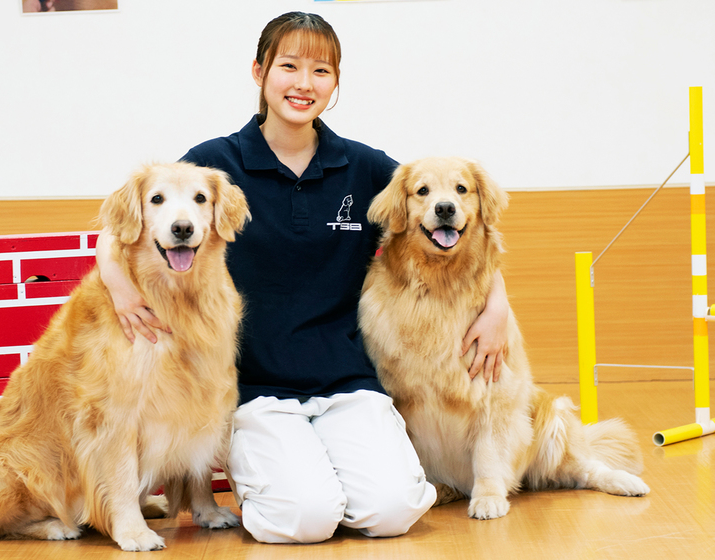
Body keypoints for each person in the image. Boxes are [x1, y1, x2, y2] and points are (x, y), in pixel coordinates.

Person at [96, 11, 510, 544]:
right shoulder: (213, 164)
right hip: (255, 388)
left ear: (335, 84)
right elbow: (124, 227)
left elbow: (458, 223)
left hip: (348, 381)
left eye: (322, 71)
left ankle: (320, 477)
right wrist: (118, 282)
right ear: (259, 72)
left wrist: (495, 306)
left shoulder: (363, 168)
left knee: (392, 513)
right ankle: (280, 481)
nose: (304, 83)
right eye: (289, 66)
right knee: (304, 519)